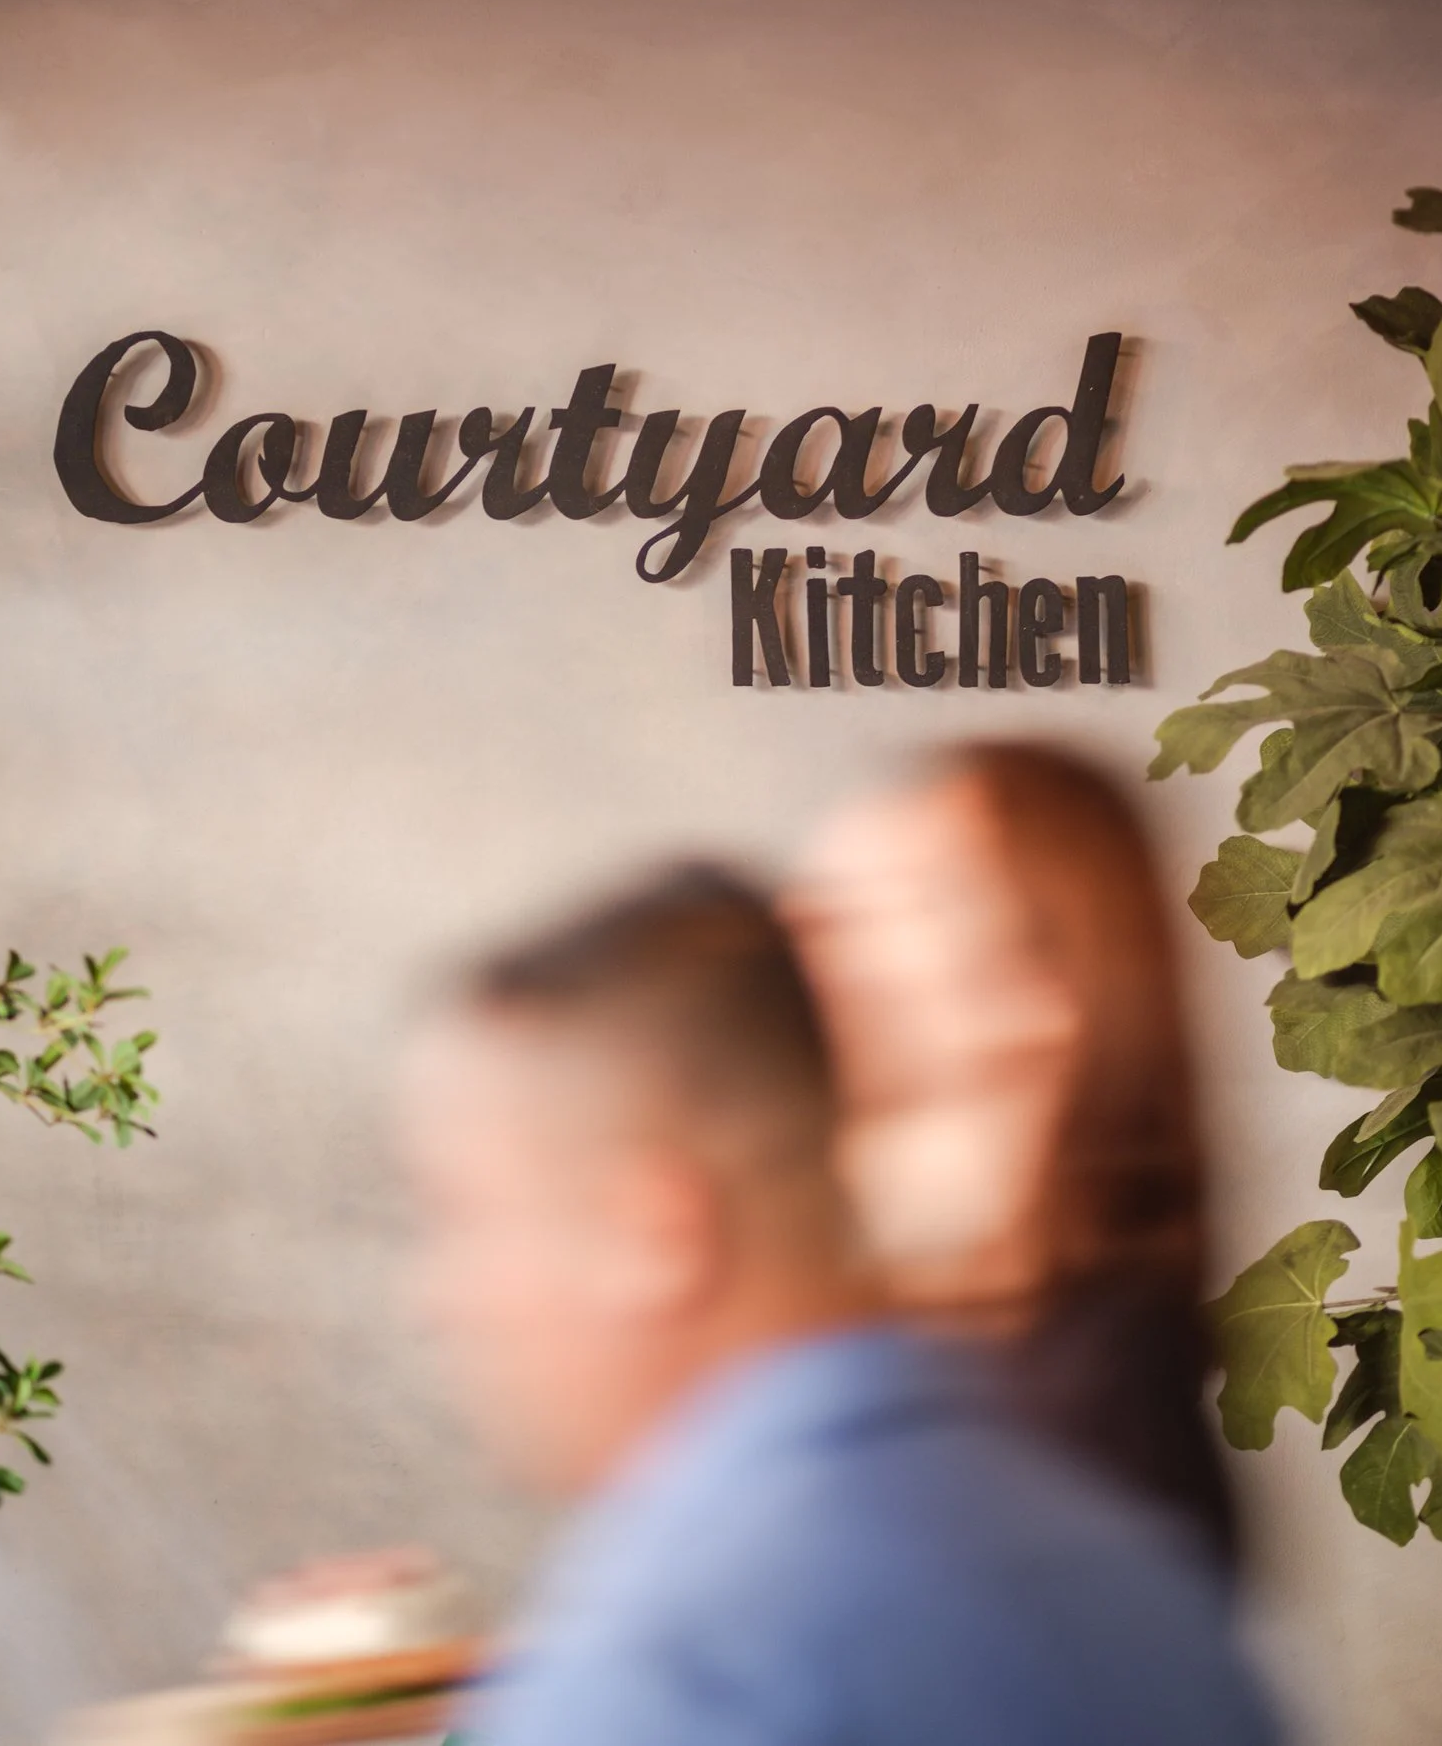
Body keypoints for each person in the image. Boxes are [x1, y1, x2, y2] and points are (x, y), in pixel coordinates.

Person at [400, 864, 1277, 1746]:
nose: (436, 1298)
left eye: (464, 1215)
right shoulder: (1139, 1580)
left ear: (654, 1234)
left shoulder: (671, 1663)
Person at [784, 741, 1239, 1569]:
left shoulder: (1084, 1432)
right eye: (812, 915)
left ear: (1049, 988)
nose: (805, 951)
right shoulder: (865, 1335)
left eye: (878, 910)